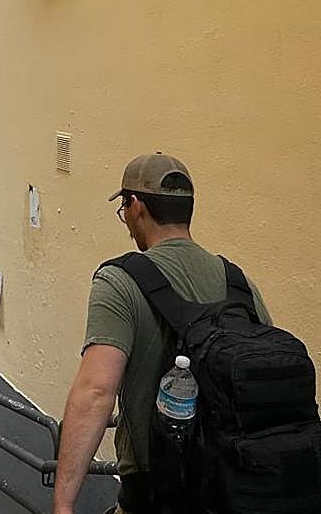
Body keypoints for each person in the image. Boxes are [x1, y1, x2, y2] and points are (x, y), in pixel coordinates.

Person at [51, 153, 272, 514]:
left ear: (136, 207)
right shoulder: (239, 284)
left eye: (124, 210)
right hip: (238, 490)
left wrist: (63, 503)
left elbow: (95, 392)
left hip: (158, 496)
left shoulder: (119, 281)